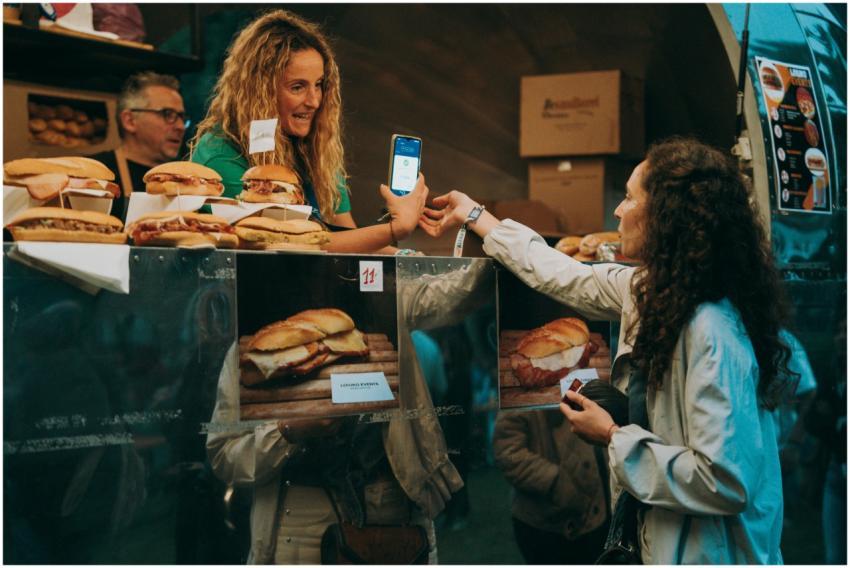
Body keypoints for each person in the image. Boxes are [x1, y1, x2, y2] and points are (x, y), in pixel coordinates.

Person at [420, 136, 792, 564]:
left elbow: (725, 481)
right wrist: (477, 216)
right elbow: (566, 275)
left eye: (630, 199)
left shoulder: (711, 328)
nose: (617, 210)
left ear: (667, 216)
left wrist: (614, 437)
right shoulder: (655, 291)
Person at [190, 9, 426, 254]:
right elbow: (292, 243)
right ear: (259, 91)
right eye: (297, 87)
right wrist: (394, 230)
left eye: (319, 85)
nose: (314, 101)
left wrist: (410, 258)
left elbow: (349, 237)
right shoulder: (221, 154)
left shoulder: (316, 149)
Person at [493, 409, 609, 564]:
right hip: (548, 524)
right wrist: (556, 482)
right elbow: (508, 452)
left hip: (595, 515)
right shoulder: (519, 390)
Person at [89, 71, 188, 219]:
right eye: (168, 114)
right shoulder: (95, 174)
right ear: (129, 121)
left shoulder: (185, 179)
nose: (180, 126)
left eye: (181, 117)